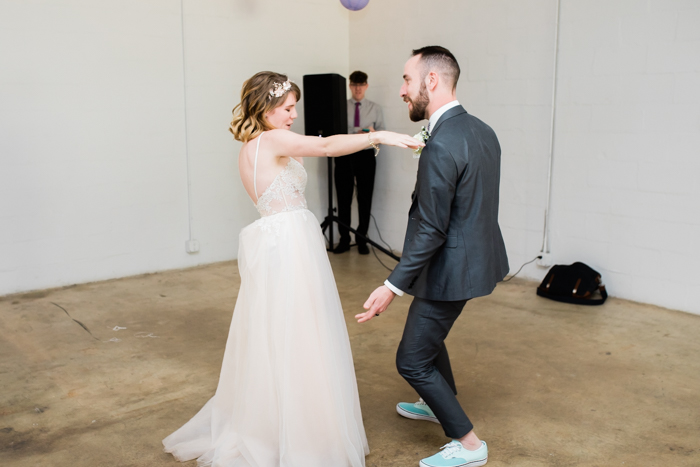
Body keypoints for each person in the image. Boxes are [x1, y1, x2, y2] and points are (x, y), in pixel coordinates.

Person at [162, 71, 423, 467]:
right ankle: (303, 436)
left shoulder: (248, 147)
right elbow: (329, 145)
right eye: (287, 108)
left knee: (277, 334)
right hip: (290, 244)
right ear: (265, 109)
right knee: (302, 332)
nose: (293, 114)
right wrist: (378, 136)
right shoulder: (274, 139)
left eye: (294, 107)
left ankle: (278, 423)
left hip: (275, 242)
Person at [356, 47, 510, 467]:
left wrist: (392, 286)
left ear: (431, 81)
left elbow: (431, 227)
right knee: (428, 340)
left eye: (407, 80)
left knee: (410, 358)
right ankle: (432, 401)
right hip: (472, 258)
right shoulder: (481, 130)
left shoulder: (442, 143)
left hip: (450, 266)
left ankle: (470, 445)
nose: (402, 90)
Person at [334, 71, 385, 255]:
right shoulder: (341, 106)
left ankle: (362, 239)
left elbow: (382, 134)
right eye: (354, 85)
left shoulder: (375, 108)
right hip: (344, 154)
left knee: (365, 198)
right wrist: (354, 135)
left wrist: (372, 134)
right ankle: (344, 239)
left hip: (365, 156)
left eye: (361, 85)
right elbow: (335, 132)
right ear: (350, 86)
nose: (358, 88)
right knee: (343, 198)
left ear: (366, 86)